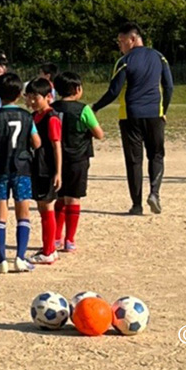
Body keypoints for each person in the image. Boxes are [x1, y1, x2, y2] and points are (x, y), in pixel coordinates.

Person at [93, 22, 173, 215]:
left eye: (122, 42)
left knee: (134, 161)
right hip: (155, 114)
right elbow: (169, 87)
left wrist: (95, 107)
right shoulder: (159, 57)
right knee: (156, 155)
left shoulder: (125, 61)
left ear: (133, 39)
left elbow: (114, 91)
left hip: (130, 116)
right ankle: (154, 193)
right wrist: (164, 110)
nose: (120, 46)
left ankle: (136, 205)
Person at [0, 73, 41, 273]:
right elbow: (37, 142)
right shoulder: (26, 116)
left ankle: (1, 260)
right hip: (22, 168)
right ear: (19, 94)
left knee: (0, 214)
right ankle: (20, 258)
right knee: (23, 212)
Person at [52, 72, 104, 254]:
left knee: (59, 197)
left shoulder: (52, 108)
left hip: (55, 160)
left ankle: (56, 238)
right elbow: (99, 134)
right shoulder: (83, 109)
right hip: (77, 159)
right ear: (77, 89)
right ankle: (70, 240)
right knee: (73, 198)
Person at [25, 78, 62, 265]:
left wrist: (58, 172)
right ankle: (50, 247)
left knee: (47, 207)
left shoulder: (51, 118)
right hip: (36, 167)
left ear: (48, 97)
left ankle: (48, 251)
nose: (32, 101)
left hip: (47, 168)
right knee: (42, 207)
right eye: (29, 97)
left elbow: (57, 146)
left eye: (35, 97)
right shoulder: (34, 117)